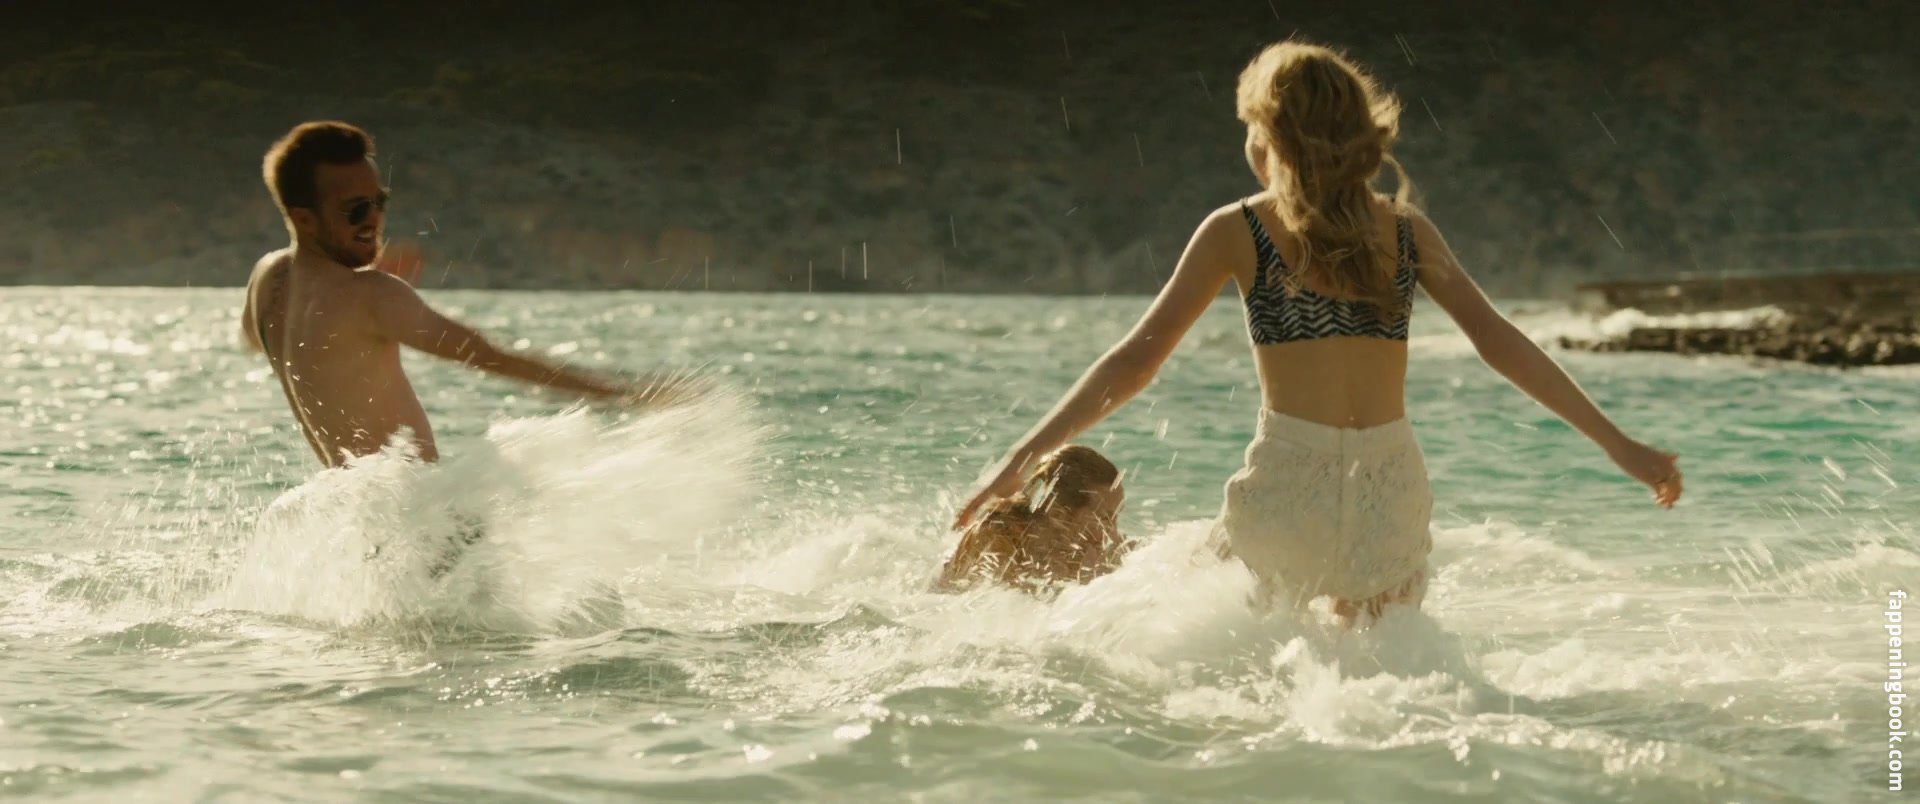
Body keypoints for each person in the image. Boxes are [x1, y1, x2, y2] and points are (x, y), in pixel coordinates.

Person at [954, 40, 1682, 626]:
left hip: (1288, 491)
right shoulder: (1406, 231)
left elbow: (1135, 361)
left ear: (1270, 137)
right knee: (1378, 682)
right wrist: (1620, 445)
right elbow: (1500, 342)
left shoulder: (1239, 229)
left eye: (1250, 127)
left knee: (1213, 644)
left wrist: (1021, 460)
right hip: (1389, 496)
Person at [240, 120, 694, 469]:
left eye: (380, 203)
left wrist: (359, 290)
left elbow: (282, 344)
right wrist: (629, 394)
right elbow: (488, 357)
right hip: (420, 521)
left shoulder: (269, 279)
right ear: (304, 218)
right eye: (356, 210)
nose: (374, 220)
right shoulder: (372, 296)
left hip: (359, 517)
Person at [935, 445, 1131, 594]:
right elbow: (997, 612)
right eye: (1104, 519)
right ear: (1059, 515)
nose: (1112, 533)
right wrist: (1088, 582)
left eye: (1115, 518)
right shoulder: (996, 536)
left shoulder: (1075, 547)